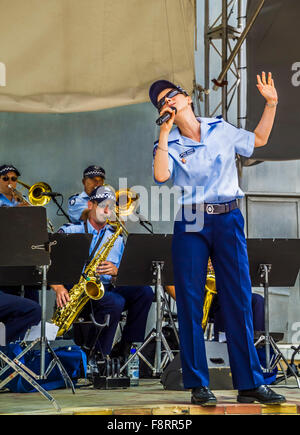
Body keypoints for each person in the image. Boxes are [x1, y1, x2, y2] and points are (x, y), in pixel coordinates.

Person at [150, 73, 285, 405]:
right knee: (191, 301)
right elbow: (161, 175)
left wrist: (271, 103)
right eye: (161, 101)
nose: (168, 101)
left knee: (238, 297)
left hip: (228, 215)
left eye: (172, 95)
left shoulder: (220, 129)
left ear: (187, 98)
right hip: (192, 217)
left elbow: (258, 141)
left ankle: (250, 383)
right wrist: (164, 135)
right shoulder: (168, 142)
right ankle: (198, 383)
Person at [52, 185, 154, 360]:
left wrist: (116, 272)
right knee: (116, 301)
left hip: (106, 286)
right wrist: (58, 288)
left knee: (145, 292)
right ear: (91, 205)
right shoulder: (70, 231)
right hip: (79, 290)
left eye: (110, 206)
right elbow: (49, 263)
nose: (107, 210)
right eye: (102, 205)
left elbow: (125, 274)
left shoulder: (117, 236)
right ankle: (99, 354)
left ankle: (125, 347)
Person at [0, 164, 39, 304]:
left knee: (32, 299)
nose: (10, 182)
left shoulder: (21, 199)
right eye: (5, 178)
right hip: (5, 258)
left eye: (13, 178)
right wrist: (17, 211)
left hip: (25, 255)